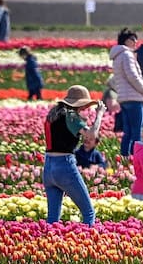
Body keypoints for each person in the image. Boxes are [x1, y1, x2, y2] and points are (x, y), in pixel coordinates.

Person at [43, 86, 105, 225]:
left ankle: (48, 243)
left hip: (48, 167)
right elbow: (91, 135)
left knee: (52, 219)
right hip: (64, 166)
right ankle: (89, 242)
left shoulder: (53, 114)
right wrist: (99, 115)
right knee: (89, 212)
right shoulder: (70, 116)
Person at [110, 28, 143, 157]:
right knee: (137, 132)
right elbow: (132, 76)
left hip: (124, 98)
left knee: (128, 132)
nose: (136, 41)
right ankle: (137, 158)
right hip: (134, 97)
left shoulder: (117, 55)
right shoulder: (126, 54)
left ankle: (125, 157)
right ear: (126, 41)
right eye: (133, 39)